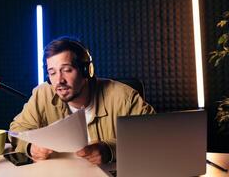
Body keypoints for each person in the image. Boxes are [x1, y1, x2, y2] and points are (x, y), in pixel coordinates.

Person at [9, 36, 155, 165]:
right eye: (52, 73)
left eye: (66, 70)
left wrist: (109, 150)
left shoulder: (124, 98)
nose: (59, 80)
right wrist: (30, 147)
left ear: (87, 71)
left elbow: (154, 137)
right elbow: (16, 131)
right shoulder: (43, 94)